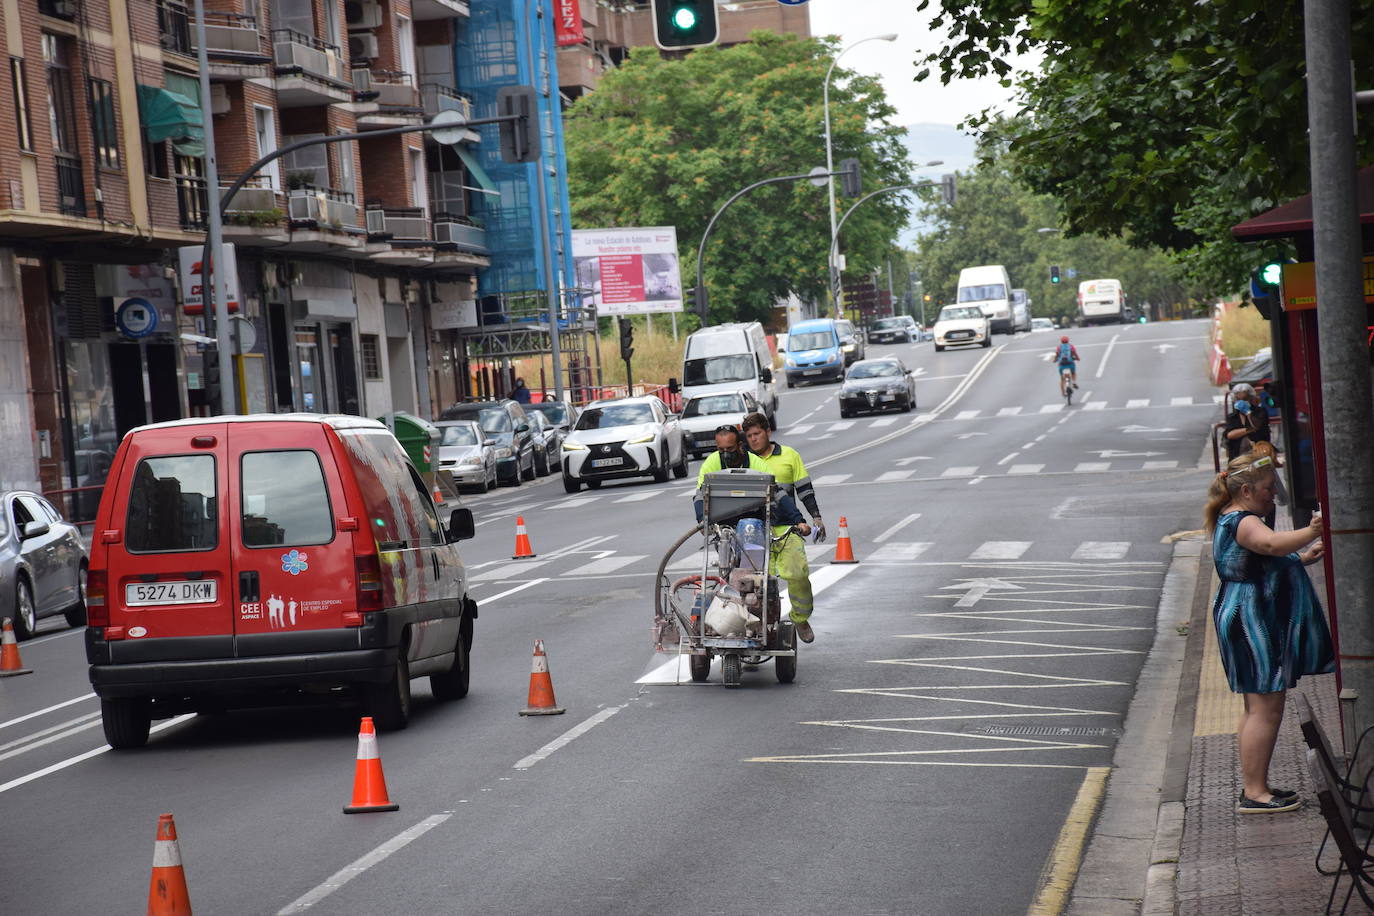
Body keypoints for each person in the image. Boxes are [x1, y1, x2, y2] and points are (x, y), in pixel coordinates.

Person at [1203, 452, 1334, 814]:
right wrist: (1312, 530)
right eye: (1267, 488)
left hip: (1243, 613)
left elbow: (1260, 559)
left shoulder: (1231, 517)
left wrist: (1301, 557)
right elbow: (1269, 546)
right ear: (1245, 490)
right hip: (1252, 620)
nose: (1272, 495)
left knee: (1256, 706)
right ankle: (1255, 792)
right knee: (1265, 707)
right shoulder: (1244, 521)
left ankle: (1255, 785)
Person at [740, 413, 825, 644]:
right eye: (749, 436)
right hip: (755, 529)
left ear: (768, 432)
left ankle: (800, 618)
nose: (754, 439)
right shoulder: (744, 459)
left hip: (787, 528)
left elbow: (804, 489)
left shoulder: (789, 455)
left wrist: (815, 518)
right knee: (753, 583)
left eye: (757, 434)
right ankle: (754, 626)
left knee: (798, 574)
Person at [1224, 383, 1271, 462]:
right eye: (1239, 399)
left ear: (1251, 398)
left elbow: (1257, 425)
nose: (1242, 402)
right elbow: (1230, 435)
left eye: (1245, 399)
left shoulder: (1261, 412)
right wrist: (1250, 429)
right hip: (1238, 456)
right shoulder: (1232, 417)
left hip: (1260, 454)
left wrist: (1248, 412)